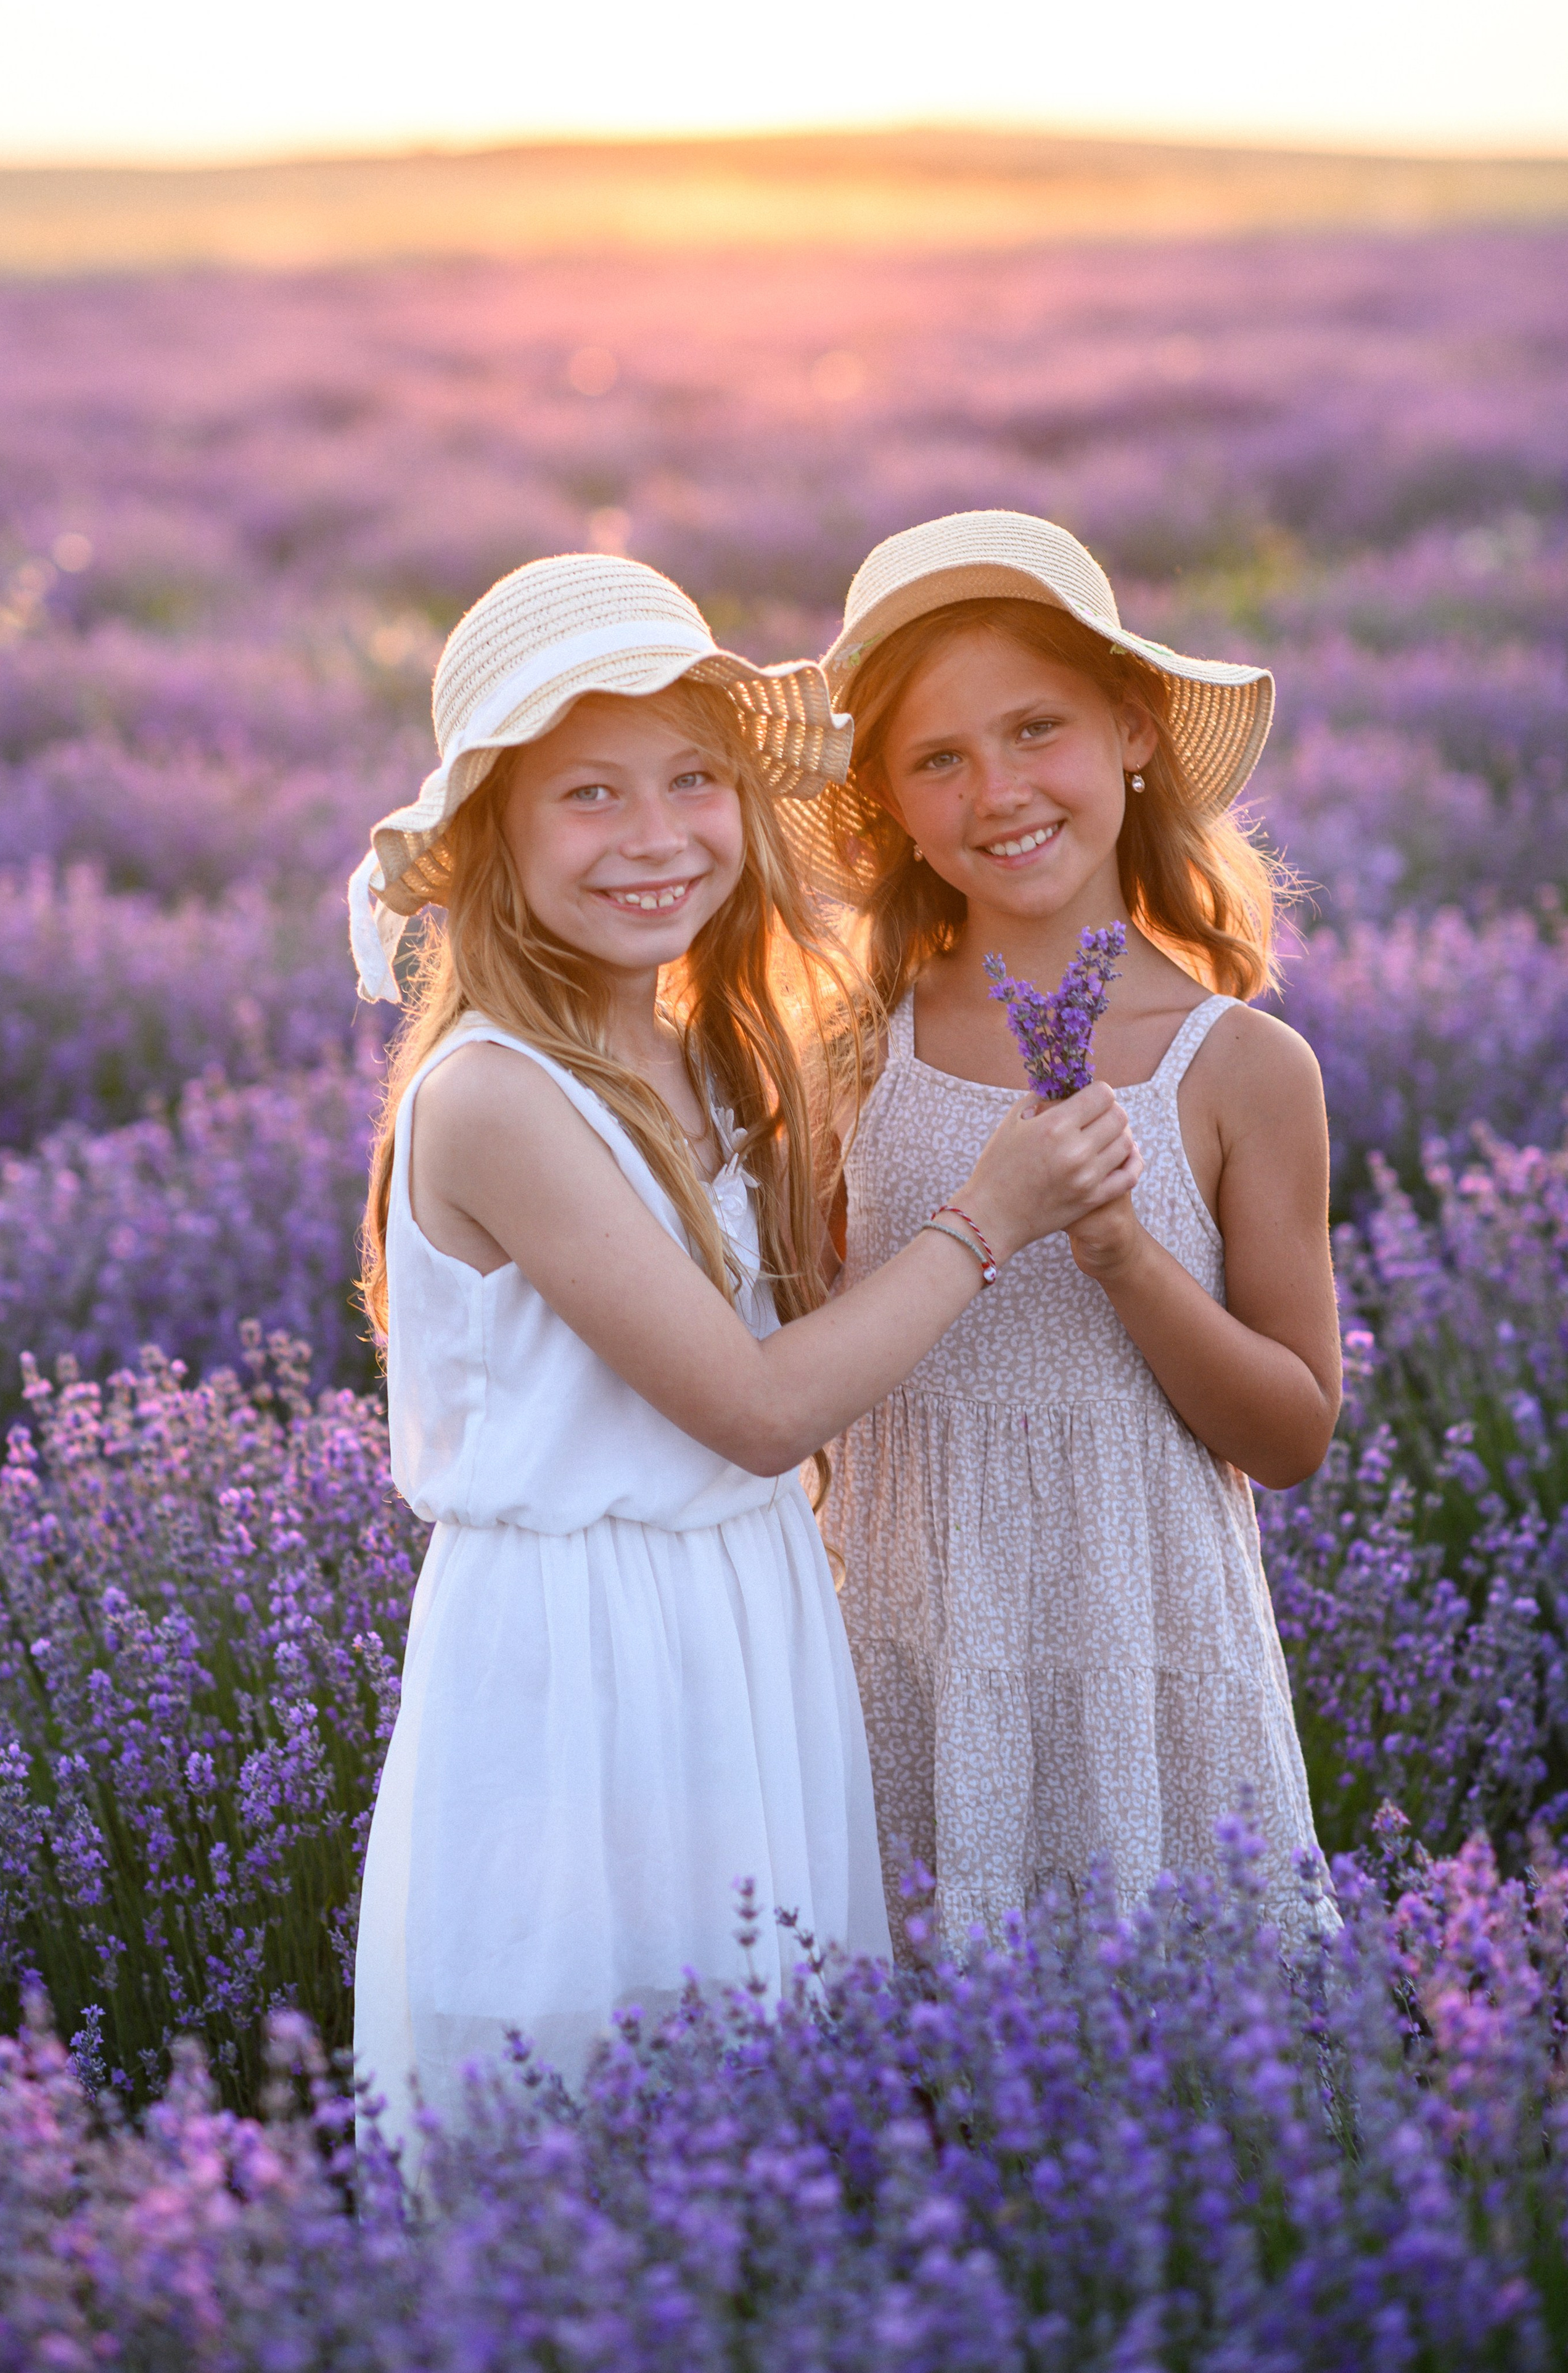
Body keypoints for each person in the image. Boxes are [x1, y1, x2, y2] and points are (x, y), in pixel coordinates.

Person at [347, 551, 1141, 2149]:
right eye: (588, 795)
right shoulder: (499, 1093)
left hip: (738, 1611)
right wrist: (991, 1218)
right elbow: (761, 1409)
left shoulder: (685, 1042)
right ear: (493, 833)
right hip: (583, 1651)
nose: (655, 839)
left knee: (762, 2088)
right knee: (584, 2095)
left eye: (693, 781)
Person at [791, 511, 1339, 1956]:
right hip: (903, 1641)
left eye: (1036, 729)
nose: (999, 791)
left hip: (1144, 1657)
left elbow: (1288, 1434)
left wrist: (1122, 1253)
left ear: (1130, 730)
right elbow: (788, 1374)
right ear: (890, 807)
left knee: (1176, 2095)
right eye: (938, 759)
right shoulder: (848, 1050)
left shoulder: (1237, 1068)